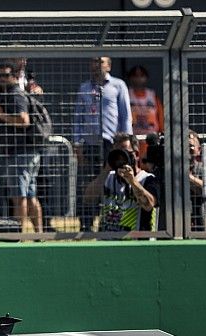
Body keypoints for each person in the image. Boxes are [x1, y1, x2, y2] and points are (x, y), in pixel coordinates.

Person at [73, 57, 133, 232]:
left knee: (112, 182)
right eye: (92, 61)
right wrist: (77, 144)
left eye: (100, 61)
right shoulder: (84, 87)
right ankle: (86, 222)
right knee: (87, 183)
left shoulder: (118, 85)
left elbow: (125, 115)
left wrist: (125, 141)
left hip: (111, 144)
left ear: (109, 65)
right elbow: (78, 118)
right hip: (90, 144)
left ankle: (109, 220)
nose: (96, 65)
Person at [0, 64, 43, 233]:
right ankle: (39, 234)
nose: (1, 79)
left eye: (5, 76)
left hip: (21, 152)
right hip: (26, 152)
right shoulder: (10, 94)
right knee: (29, 195)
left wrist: (0, 116)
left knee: (19, 196)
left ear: (14, 77)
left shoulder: (15, 95)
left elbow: (24, 120)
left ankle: (17, 235)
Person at [96, 133, 159, 232]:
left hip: (136, 242)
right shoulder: (108, 177)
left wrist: (132, 181)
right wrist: (106, 169)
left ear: (136, 154)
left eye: (124, 152)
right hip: (108, 240)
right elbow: (88, 199)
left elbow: (149, 205)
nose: (120, 158)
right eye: (117, 153)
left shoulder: (147, 179)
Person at [187, 130, 206, 232]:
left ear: (199, 150)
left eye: (191, 146)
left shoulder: (202, 168)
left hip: (198, 216)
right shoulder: (173, 169)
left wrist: (190, 178)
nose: (188, 149)